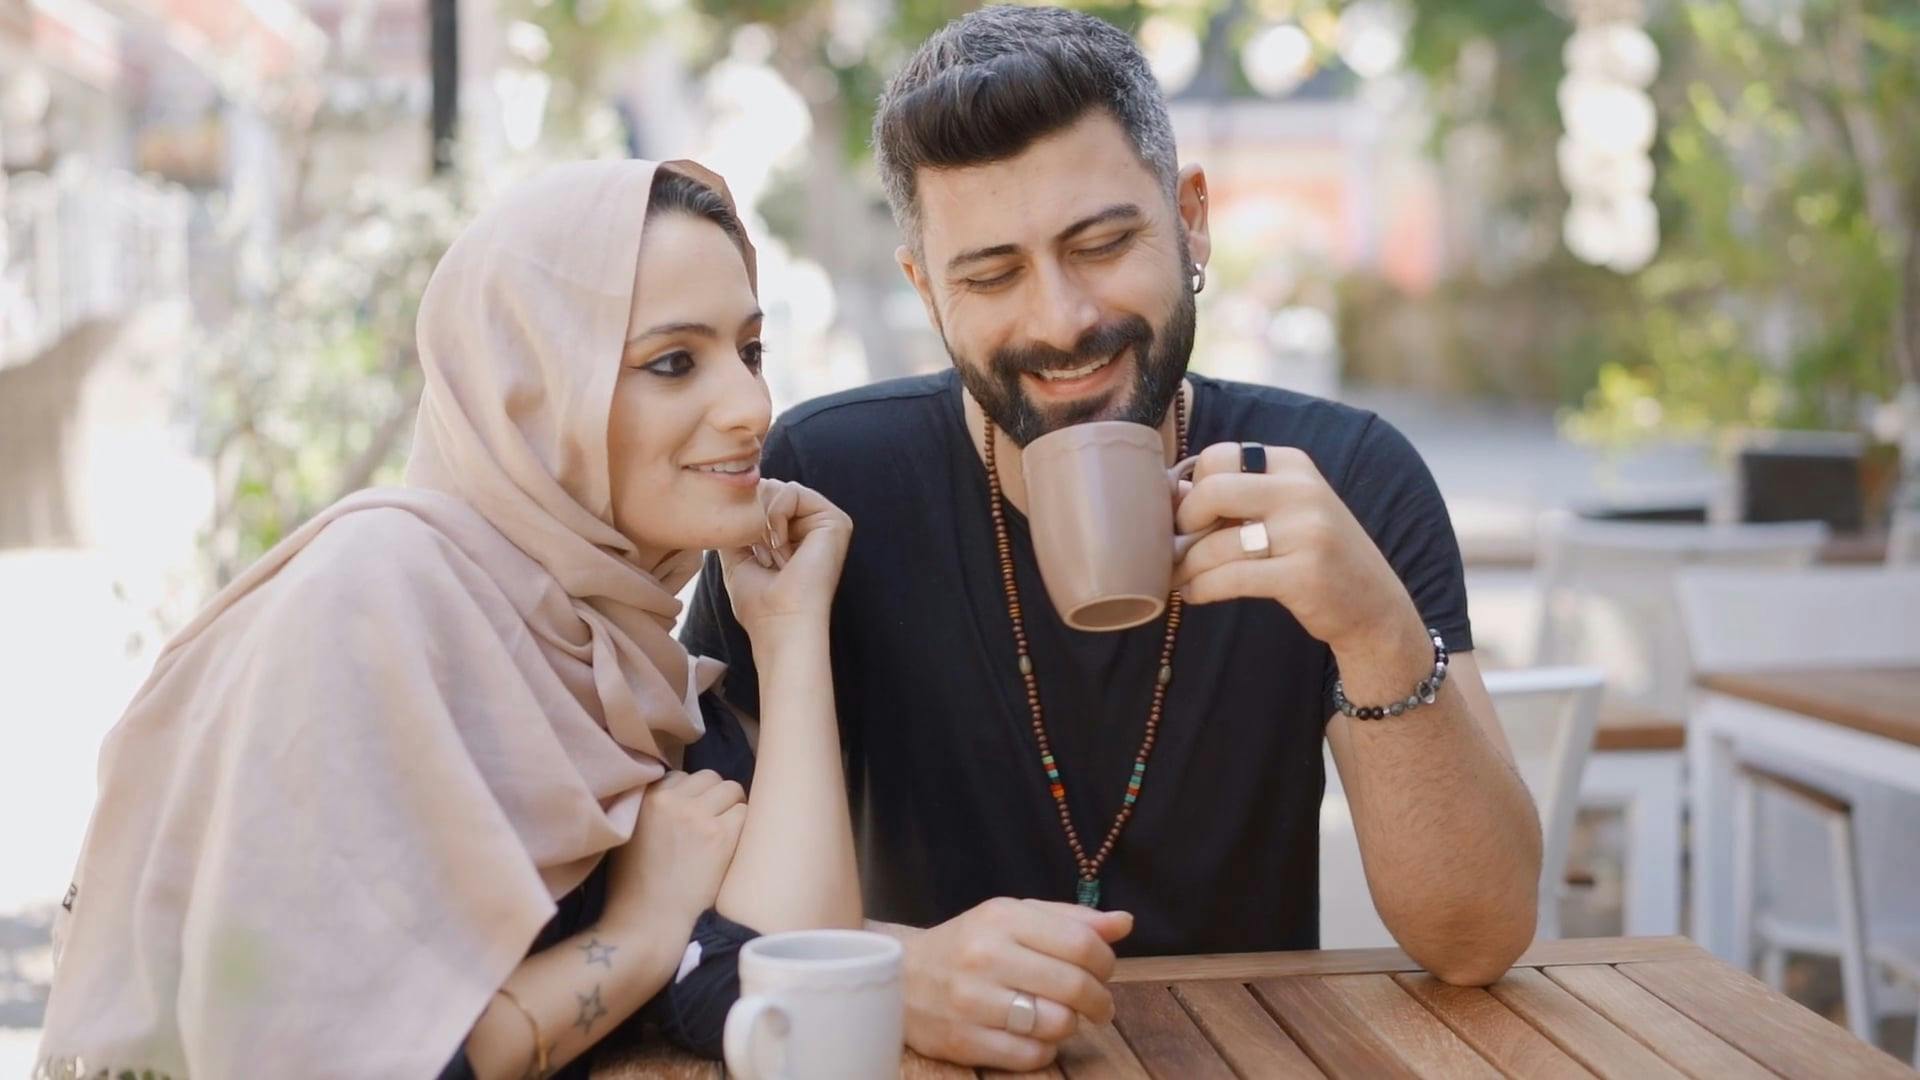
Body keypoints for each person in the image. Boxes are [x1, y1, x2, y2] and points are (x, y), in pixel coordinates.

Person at [681, 6, 1543, 1071]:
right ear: (926, 291)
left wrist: (1375, 630)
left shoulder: (1345, 479)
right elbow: (684, 903)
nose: (1061, 320)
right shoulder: (828, 484)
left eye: (1102, 243)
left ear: (1192, 221)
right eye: (991, 276)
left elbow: (1478, 938)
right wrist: (893, 967)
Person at [37, 159, 860, 1080]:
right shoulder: (380, 603)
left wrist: (790, 638)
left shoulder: (630, 675)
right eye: (674, 362)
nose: (751, 407)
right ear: (530, 391)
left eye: (750, 351)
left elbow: (801, 999)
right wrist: (635, 936)